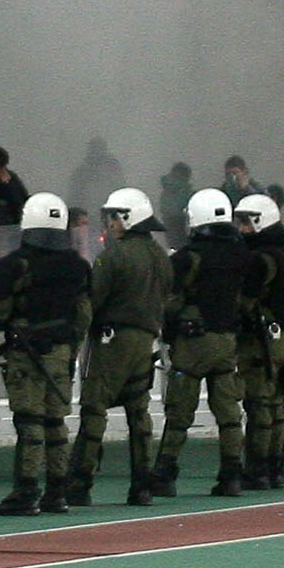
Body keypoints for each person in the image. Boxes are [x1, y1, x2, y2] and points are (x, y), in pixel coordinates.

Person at [0, 193, 86, 515]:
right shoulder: (78, 265)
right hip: (61, 350)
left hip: (27, 352)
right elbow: (84, 313)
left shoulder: (14, 264)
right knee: (56, 421)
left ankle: (26, 492)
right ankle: (57, 492)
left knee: (29, 421)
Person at [66, 186, 166, 508]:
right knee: (139, 412)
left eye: (113, 217)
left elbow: (93, 301)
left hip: (113, 341)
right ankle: (142, 486)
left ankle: (79, 483)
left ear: (126, 218)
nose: (109, 224)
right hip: (145, 340)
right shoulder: (160, 256)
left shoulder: (112, 257)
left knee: (95, 408)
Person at [153, 189, 253, 501]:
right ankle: (232, 474)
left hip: (193, 342)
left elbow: (170, 303)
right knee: (228, 411)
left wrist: (168, 335)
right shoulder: (241, 254)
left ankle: (165, 473)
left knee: (180, 411)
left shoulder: (187, 258)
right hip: (227, 340)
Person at [227, 193, 284, 491]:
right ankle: (275, 465)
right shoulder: (281, 255)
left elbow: (245, 302)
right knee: (276, 403)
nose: (241, 229)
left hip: (259, 340)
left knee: (258, 403)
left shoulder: (260, 260)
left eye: (245, 223)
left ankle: (258, 467)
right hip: (279, 336)